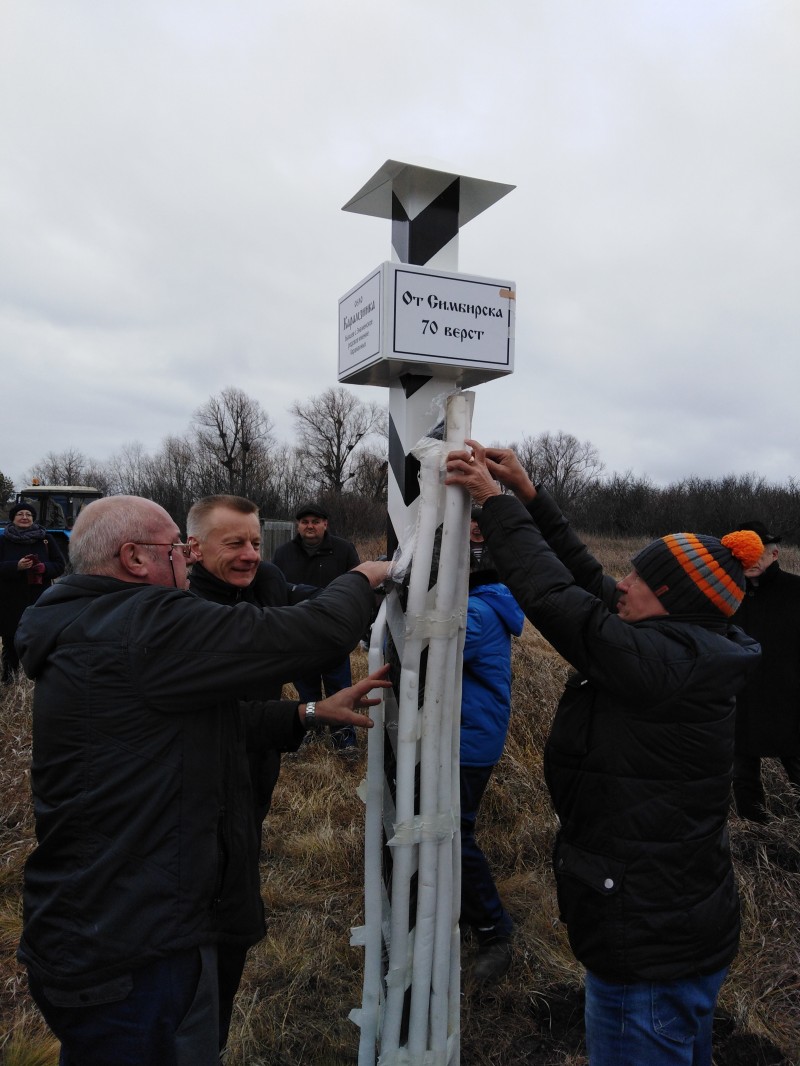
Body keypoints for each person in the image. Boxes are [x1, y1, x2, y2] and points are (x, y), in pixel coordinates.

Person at [15, 495, 391, 1066]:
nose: (186, 565)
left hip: (106, 924)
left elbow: (207, 722)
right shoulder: (143, 623)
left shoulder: (91, 625)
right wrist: (364, 577)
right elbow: (311, 634)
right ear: (135, 558)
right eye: (177, 551)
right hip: (135, 944)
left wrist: (308, 713)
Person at [446, 441, 762, 1066]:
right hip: (676, 929)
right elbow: (588, 581)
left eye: (640, 578)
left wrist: (495, 505)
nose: (625, 583)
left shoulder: (660, 663)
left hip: (647, 948)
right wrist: (532, 498)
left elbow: (558, 602)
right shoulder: (680, 647)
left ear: (673, 600)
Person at [186, 494, 318, 1045]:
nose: (249, 555)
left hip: (255, 761)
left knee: (244, 845)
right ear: (193, 549)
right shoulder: (184, 606)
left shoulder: (263, 580)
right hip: (198, 775)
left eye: (256, 543)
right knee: (206, 894)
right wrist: (308, 711)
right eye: (234, 543)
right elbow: (288, 634)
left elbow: (295, 597)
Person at [460, 549, 525, 983]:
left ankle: (493, 929)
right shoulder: (486, 604)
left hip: (465, 741)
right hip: (468, 734)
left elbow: (422, 654)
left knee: (452, 834)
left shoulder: (475, 613)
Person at [273, 501, 361, 750]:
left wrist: (355, 623)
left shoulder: (343, 550)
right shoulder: (283, 553)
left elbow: (357, 585)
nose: (309, 526)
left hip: (333, 631)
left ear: (325, 524)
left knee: (339, 686)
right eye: (304, 522)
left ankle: (344, 738)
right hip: (298, 631)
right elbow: (276, 591)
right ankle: (310, 730)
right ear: (298, 526)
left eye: (315, 521)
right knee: (306, 687)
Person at [730, 519, 800, 822]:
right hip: (741, 700)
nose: (752, 561)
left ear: (774, 555)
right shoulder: (727, 597)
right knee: (743, 773)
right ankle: (755, 830)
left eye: (760, 552)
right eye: (746, 555)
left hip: (791, 700)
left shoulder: (796, 590)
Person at [0, 502, 65, 683]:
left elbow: (60, 565)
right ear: (13, 518)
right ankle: (9, 678)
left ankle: (38, 677)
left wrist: (44, 568)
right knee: (11, 639)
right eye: (20, 514)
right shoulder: (3, 540)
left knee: (39, 638)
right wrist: (16, 566)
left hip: (39, 598)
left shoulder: (45, 539)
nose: (24, 517)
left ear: (33, 518)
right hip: (9, 599)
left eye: (28, 514)